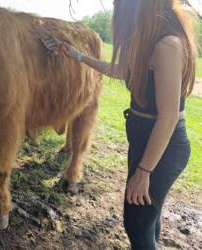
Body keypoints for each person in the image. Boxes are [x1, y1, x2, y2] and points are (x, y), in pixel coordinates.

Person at [61, 0, 196, 249]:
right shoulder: (151, 41)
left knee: (136, 223)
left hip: (161, 151)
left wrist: (144, 172)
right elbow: (119, 69)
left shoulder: (167, 45)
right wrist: (78, 55)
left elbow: (168, 117)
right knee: (146, 218)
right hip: (145, 144)